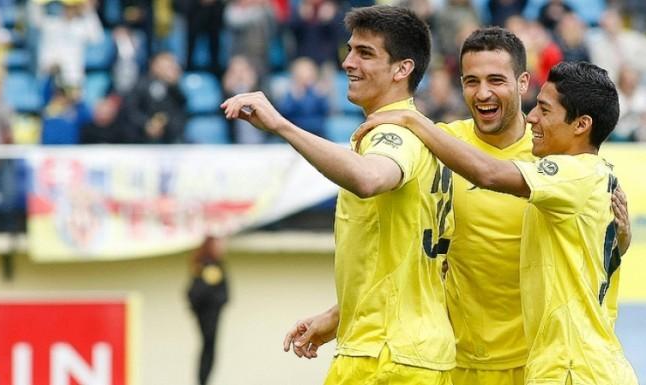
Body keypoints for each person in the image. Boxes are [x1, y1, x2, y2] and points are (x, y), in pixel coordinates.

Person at [284, 27, 632, 385]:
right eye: (471, 81)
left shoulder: (554, 158)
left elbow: (592, 244)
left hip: (542, 365)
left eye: (496, 80)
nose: (483, 93)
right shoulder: (439, 145)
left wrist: (621, 237)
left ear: (522, 82)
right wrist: (339, 314)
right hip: (460, 362)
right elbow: (414, 255)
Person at [222, 5, 456, 384]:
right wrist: (339, 315)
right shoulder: (427, 136)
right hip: (419, 351)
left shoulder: (392, 134)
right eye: (349, 50)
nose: (348, 62)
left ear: (402, 69)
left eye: (365, 53)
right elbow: (399, 264)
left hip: (384, 356)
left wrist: (282, 126)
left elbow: (369, 178)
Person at [187, 236, 229, 385]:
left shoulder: (206, 266)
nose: (223, 247)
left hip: (208, 316)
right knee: (208, 348)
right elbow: (198, 293)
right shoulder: (210, 267)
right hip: (209, 317)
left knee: (208, 349)